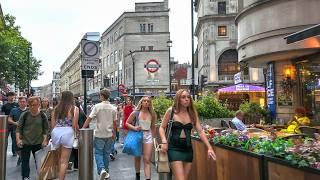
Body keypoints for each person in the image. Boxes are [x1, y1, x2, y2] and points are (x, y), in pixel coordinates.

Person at [159, 89, 216, 180]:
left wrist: (209, 148)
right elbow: (162, 127)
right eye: (183, 97)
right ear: (178, 99)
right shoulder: (171, 111)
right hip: (174, 149)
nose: (187, 99)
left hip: (188, 149)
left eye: (188, 97)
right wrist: (164, 141)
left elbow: (200, 131)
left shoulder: (192, 113)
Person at [82, 89, 117, 180]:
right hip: (109, 134)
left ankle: (101, 169)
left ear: (102, 96)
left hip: (99, 134)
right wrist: (114, 133)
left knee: (98, 153)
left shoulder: (97, 106)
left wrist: (83, 128)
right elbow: (115, 123)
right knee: (106, 154)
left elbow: (89, 118)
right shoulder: (113, 108)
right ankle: (106, 172)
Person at [16, 96, 49, 180]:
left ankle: (41, 176)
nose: (34, 107)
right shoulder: (25, 114)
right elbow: (19, 128)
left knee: (39, 162)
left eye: (36, 104)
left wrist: (45, 140)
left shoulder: (42, 115)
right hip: (25, 142)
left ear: (39, 104)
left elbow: (45, 129)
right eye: (32, 105)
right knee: (25, 162)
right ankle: (26, 177)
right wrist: (18, 140)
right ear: (29, 105)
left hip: (38, 142)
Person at [125, 96, 156, 180]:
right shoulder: (136, 112)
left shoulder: (152, 114)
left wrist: (154, 139)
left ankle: (148, 178)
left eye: (148, 101)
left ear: (150, 103)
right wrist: (134, 128)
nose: (146, 102)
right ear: (141, 102)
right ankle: (137, 175)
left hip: (148, 136)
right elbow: (127, 123)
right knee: (137, 157)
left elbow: (153, 127)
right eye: (144, 101)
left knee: (147, 159)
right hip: (137, 135)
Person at [51, 91, 79, 180]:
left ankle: (59, 176)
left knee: (59, 159)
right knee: (64, 161)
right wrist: (77, 133)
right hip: (67, 132)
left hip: (56, 132)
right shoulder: (74, 109)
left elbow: (52, 125)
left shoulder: (55, 109)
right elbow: (74, 125)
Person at [8, 96, 28, 166]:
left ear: (26, 102)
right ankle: (21, 157)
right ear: (18, 103)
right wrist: (15, 123)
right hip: (16, 131)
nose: (22, 103)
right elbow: (9, 119)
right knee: (16, 147)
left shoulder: (29, 110)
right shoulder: (14, 110)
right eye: (21, 102)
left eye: (24, 102)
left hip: (27, 132)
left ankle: (23, 159)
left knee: (25, 146)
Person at [69, 97, 87, 170]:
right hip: (78, 132)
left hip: (76, 132)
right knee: (76, 149)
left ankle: (72, 162)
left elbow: (76, 123)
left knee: (74, 149)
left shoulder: (74, 112)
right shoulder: (80, 112)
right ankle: (76, 164)